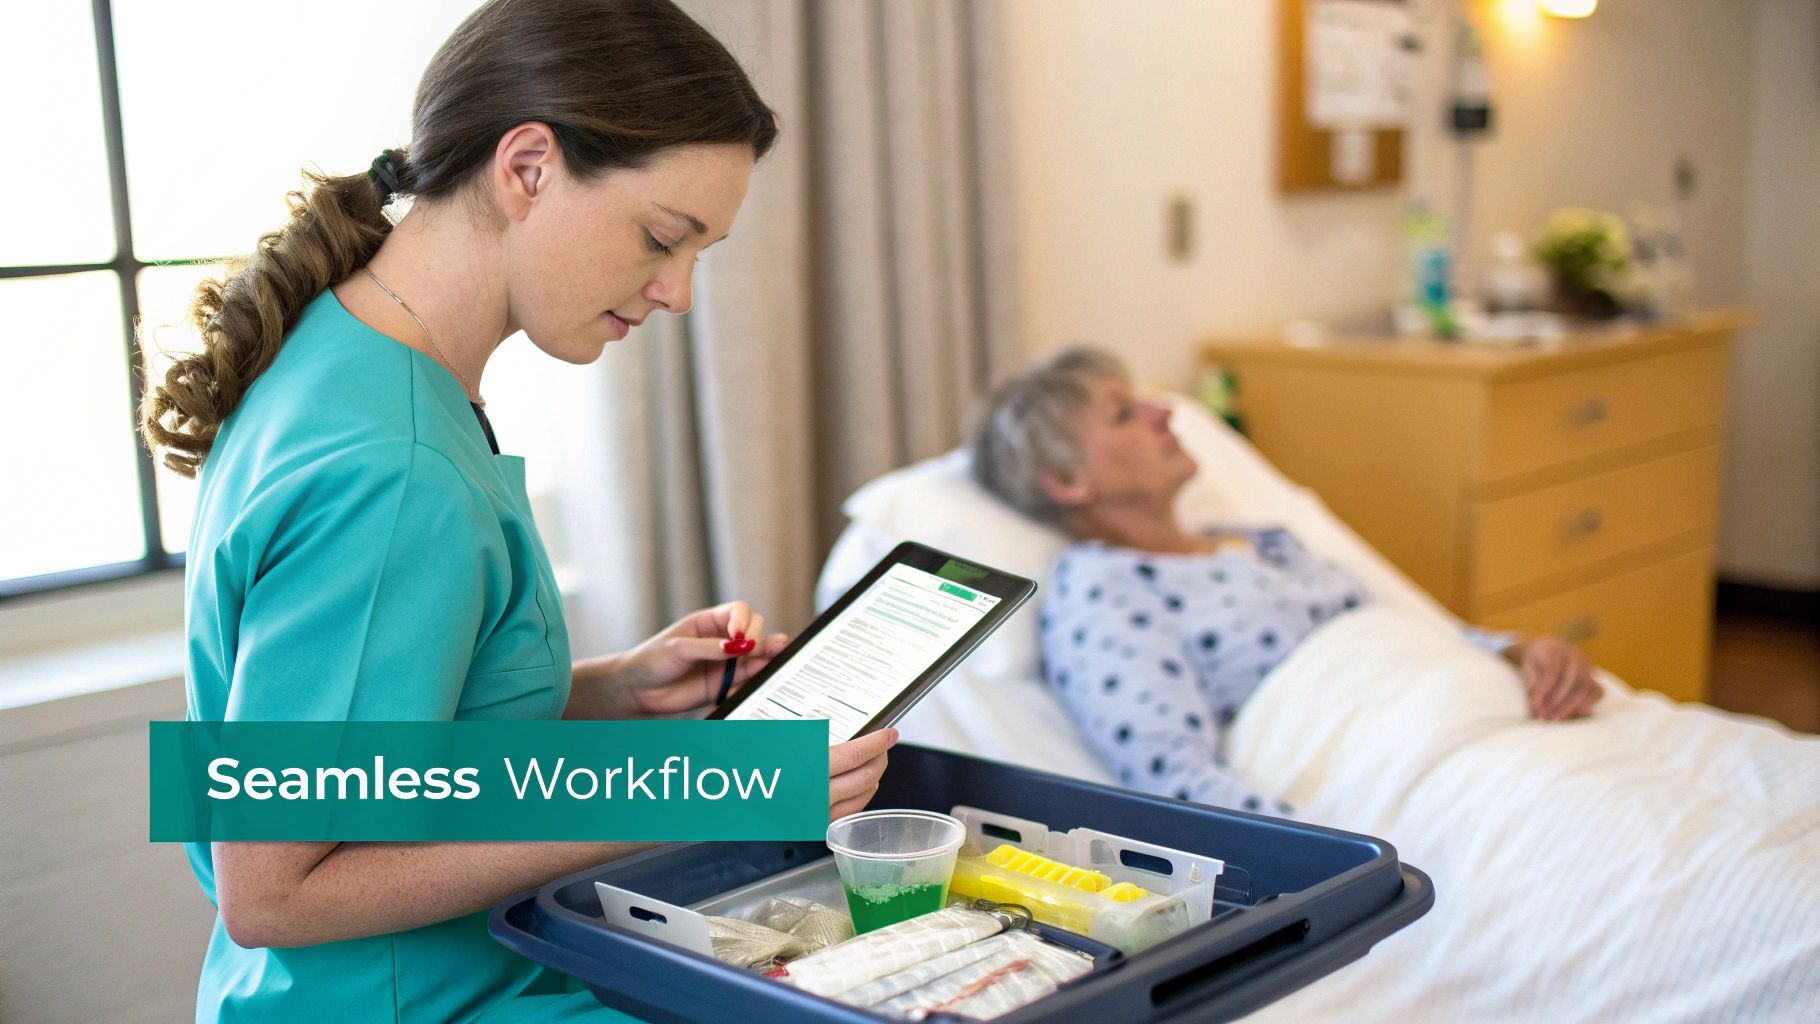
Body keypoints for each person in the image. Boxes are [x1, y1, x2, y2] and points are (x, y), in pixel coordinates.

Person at [138, 2, 894, 1020]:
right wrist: (703, 784)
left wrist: (612, 692)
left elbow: (368, 749)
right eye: (662, 238)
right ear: (527, 166)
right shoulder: (395, 465)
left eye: (698, 256)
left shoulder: (348, 354)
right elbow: (276, 889)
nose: (674, 292)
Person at [969, 348, 1601, 815]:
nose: (1165, 412)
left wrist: (1516, 653)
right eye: (1125, 413)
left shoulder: (1260, 540)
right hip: (1425, 790)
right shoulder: (1104, 589)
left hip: (1513, 729)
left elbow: (1396, 638)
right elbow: (1177, 783)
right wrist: (1348, 867)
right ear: (1067, 481)